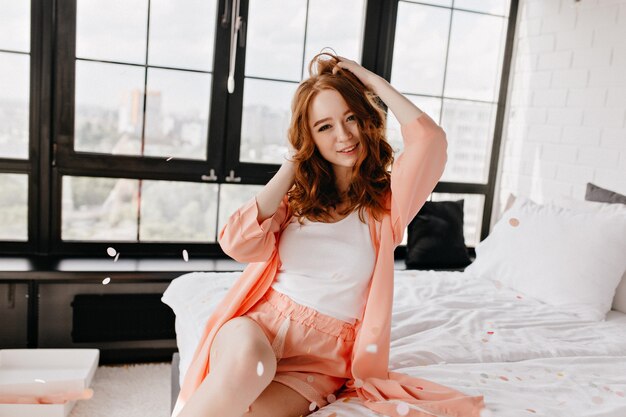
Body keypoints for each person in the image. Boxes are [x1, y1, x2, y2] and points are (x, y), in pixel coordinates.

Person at [172, 53, 485, 417]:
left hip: (319, 361)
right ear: (310, 139)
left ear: (366, 120)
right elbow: (237, 242)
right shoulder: (296, 200)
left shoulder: (388, 205)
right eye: (324, 127)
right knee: (246, 368)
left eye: (350, 117)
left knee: (246, 411)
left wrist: (373, 83)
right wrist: (292, 165)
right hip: (259, 329)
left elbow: (430, 140)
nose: (344, 135)